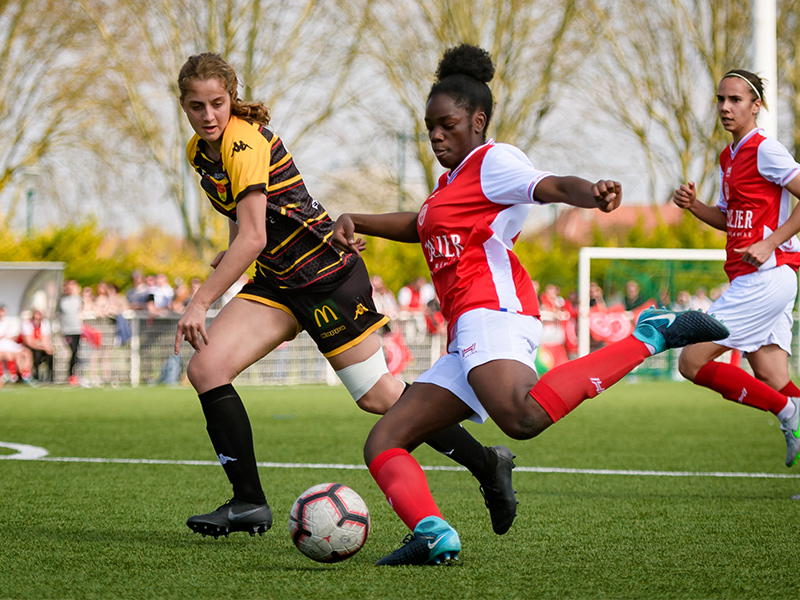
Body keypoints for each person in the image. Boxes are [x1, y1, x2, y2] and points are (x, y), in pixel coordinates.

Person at [332, 44, 729, 566]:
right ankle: (432, 533)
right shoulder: (448, 183)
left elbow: (550, 186)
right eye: (430, 127)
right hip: (465, 330)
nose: (436, 136)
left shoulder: (493, 161)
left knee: (520, 416)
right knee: (385, 439)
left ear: (477, 121)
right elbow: (420, 224)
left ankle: (649, 335)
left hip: (493, 310)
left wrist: (593, 193)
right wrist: (355, 218)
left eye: (447, 125)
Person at [174, 52, 518, 540]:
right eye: (196, 106)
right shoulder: (199, 151)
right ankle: (248, 501)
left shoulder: (244, 142)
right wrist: (232, 253)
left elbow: (253, 236)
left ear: (232, 98)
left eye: (216, 103)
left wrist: (199, 301)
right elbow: (242, 220)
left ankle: (487, 463)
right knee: (206, 369)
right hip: (277, 281)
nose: (208, 115)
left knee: (379, 396)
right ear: (184, 106)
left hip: (327, 279)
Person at [672, 69, 800, 468]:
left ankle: (789, 413)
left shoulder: (765, 149)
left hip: (767, 277)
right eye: (721, 99)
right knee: (772, 375)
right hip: (759, 277)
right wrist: (695, 207)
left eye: (736, 100)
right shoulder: (729, 156)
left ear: (755, 105)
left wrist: (770, 242)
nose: (725, 107)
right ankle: (791, 408)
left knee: (691, 362)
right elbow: (731, 219)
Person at [58, 280, 83, 386]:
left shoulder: (78, 299)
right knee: (72, 351)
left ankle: (74, 375)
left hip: (77, 329)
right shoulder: (61, 300)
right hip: (66, 330)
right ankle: (70, 375)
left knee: (76, 352)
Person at [20, 309, 54, 383]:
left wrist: (47, 348)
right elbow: (29, 342)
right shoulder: (27, 324)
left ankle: (50, 376)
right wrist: (42, 347)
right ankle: (36, 376)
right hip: (32, 347)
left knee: (50, 354)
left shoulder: (45, 323)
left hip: (41, 346)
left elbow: (46, 339)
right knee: (37, 354)